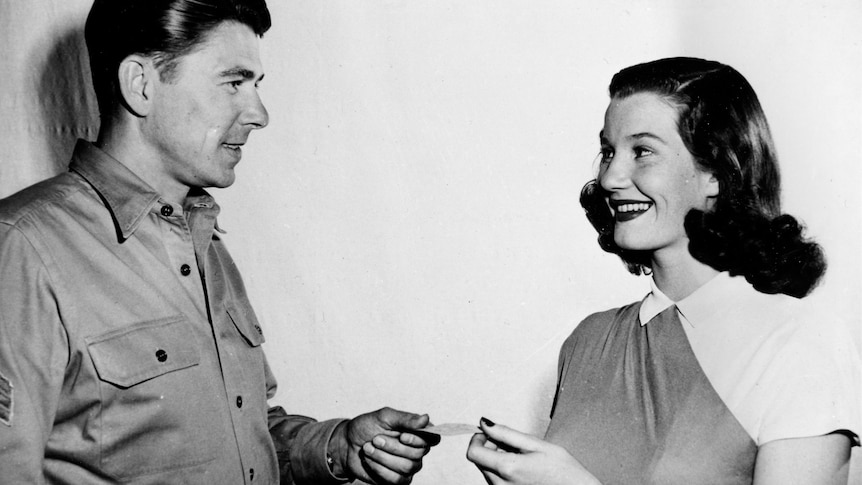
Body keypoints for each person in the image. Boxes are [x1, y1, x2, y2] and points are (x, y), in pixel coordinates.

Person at [0, 1, 438, 483]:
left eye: (256, 86)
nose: (260, 114)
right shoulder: (23, 249)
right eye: (234, 82)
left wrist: (336, 447)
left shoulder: (202, 239)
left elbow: (237, 440)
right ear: (141, 85)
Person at [466, 57, 861, 484]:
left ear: (716, 172)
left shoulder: (796, 342)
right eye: (608, 152)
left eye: (643, 151)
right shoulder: (589, 341)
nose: (612, 177)